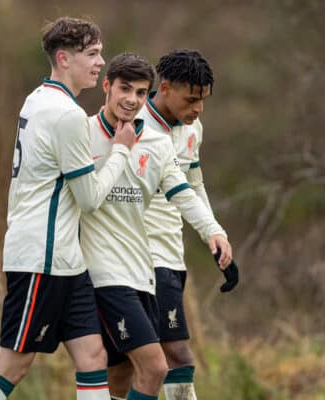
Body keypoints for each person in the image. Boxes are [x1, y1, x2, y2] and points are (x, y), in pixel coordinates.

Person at [0, 17, 138, 400]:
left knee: (93, 355)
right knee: (14, 363)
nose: (101, 62)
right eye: (92, 54)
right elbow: (90, 198)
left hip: (67, 259)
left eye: (100, 53)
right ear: (64, 58)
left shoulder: (38, 99)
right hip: (40, 259)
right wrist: (121, 152)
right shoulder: (66, 114)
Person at [81, 53, 232, 400]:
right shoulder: (99, 130)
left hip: (155, 266)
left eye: (139, 91)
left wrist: (214, 232)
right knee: (164, 360)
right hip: (126, 264)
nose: (197, 109)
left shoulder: (173, 138)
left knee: (120, 368)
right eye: (191, 100)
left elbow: (188, 189)